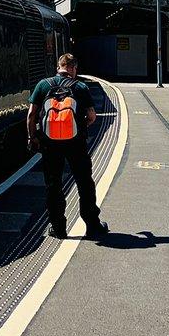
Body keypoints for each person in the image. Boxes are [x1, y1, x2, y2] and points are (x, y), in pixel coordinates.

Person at [27, 53, 109, 239]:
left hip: (50, 143)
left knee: (53, 185)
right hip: (76, 143)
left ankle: (58, 228)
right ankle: (92, 225)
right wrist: (80, 127)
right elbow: (92, 116)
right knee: (84, 182)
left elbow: (32, 114)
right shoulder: (80, 87)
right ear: (73, 68)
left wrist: (32, 137)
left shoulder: (43, 85)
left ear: (58, 67)